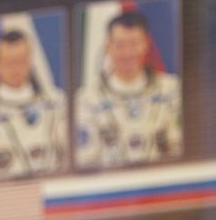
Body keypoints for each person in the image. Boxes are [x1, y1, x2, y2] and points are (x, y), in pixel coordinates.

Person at [75, 9, 183, 168]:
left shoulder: (172, 89)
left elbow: (180, 145)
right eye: (120, 45)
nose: (127, 53)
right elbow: (86, 159)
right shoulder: (87, 99)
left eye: (134, 44)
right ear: (108, 46)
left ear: (146, 44)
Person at [0, 28, 67, 180]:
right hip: (6, 197)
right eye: (8, 62)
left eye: (21, 61)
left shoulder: (56, 102)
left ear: (30, 60)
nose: (15, 68)